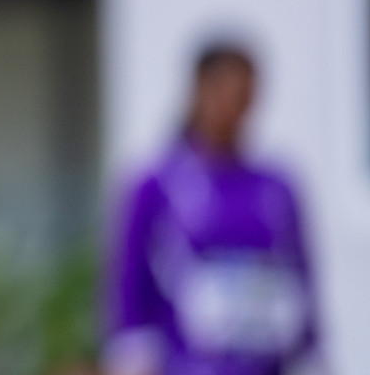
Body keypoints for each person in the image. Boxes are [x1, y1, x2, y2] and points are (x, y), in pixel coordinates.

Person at [103, 39, 322, 375]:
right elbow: (129, 287)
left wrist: (312, 355)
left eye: (245, 96)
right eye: (226, 93)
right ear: (200, 91)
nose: (235, 108)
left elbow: (301, 281)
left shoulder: (277, 187)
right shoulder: (159, 186)